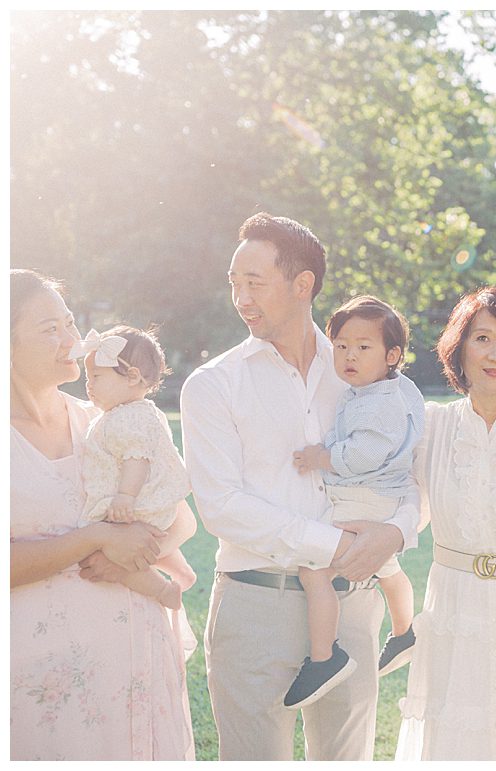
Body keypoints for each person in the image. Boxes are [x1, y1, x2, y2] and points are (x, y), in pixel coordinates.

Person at [181, 213, 420, 760]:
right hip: (254, 605)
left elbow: (407, 471)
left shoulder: (365, 369)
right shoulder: (213, 385)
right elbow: (221, 507)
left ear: (303, 284)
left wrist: (397, 533)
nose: (240, 297)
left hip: (354, 606)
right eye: (234, 283)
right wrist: (335, 547)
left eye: (254, 283)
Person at [10, 268, 195, 760]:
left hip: (134, 663)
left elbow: (180, 516)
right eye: (50, 329)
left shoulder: (107, 418)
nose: (73, 341)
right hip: (40, 682)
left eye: (70, 323)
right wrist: (94, 539)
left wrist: (125, 557)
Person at [396, 286, 496, 760]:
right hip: (453, 606)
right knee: (455, 734)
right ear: (459, 350)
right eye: (482, 338)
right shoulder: (430, 426)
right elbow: (400, 508)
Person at [284, 295, 425, 708]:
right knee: (387, 566)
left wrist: (319, 457)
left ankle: (325, 657)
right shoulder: (393, 390)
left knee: (314, 572)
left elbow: (360, 456)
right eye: (342, 346)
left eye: (364, 347)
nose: (349, 356)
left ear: (392, 354)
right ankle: (404, 631)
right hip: (385, 497)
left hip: (364, 497)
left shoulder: (377, 404)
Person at [71, 325, 197, 611]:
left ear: (132, 377)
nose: (89, 385)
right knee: (151, 538)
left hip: (134, 506)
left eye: (97, 377)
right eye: (89, 377)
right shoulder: (134, 413)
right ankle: (180, 569)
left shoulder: (127, 417)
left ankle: (164, 590)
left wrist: (125, 496)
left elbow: (136, 459)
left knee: (112, 554)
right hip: (149, 506)